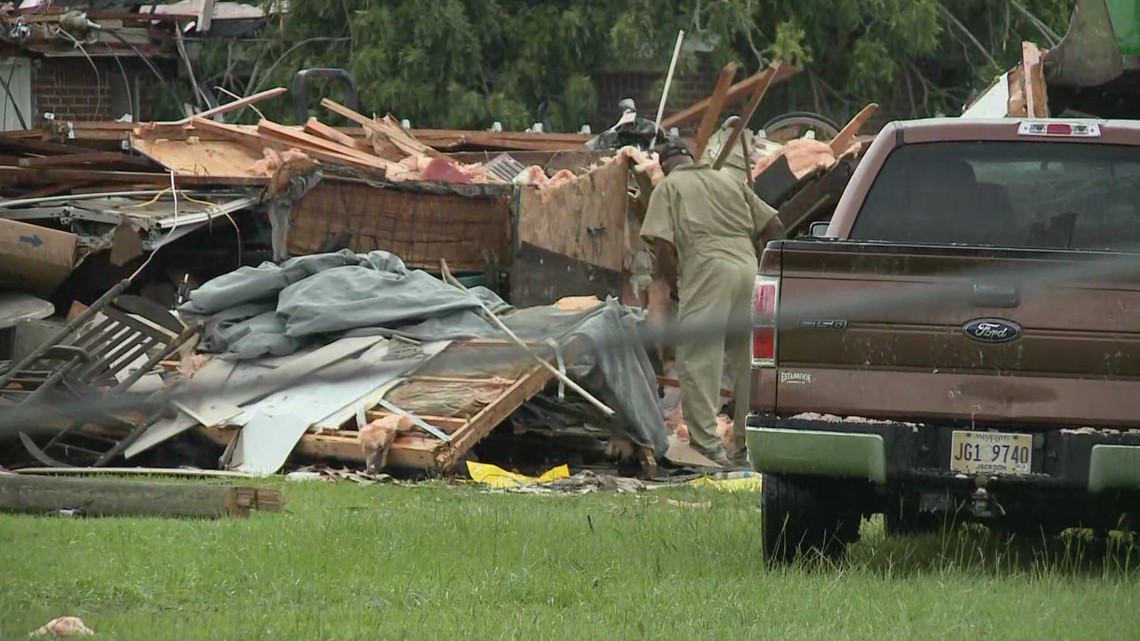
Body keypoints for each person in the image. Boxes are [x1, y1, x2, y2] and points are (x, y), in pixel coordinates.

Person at [640, 137, 785, 468]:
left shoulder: (669, 187)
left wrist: (671, 285)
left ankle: (709, 450)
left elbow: (662, 247)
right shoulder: (728, 179)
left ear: (663, 166)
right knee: (750, 363)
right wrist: (764, 266)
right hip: (749, 269)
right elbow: (774, 225)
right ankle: (749, 449)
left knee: (699, 361)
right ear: (692, 158)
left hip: (707, 272)